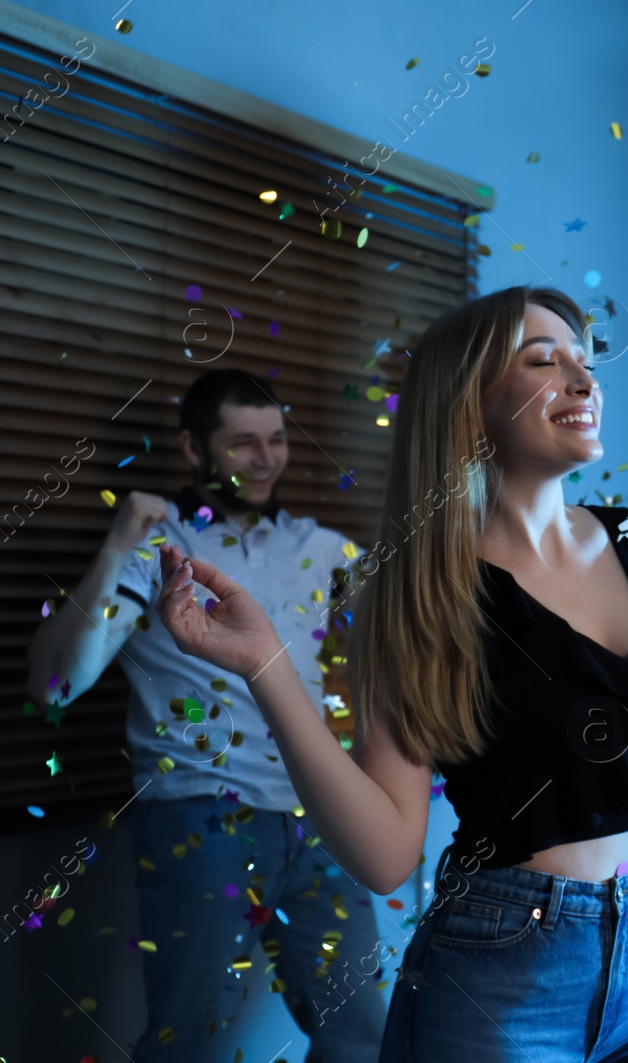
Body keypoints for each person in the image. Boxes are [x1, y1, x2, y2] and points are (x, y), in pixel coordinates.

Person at [149, 286, 628, 1063]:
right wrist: (263, 663)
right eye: (545, 361)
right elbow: (385, 854)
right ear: (467, 406)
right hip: (495, 983)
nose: (583, 380)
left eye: (584, 361)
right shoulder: (417, 589)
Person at [26, 369, 387, 1062]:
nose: (265, 458)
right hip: (202, 820)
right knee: (187, 1046)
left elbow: (415, 637)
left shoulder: (326, 548)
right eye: (243, 442)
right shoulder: (160, 552)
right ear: (195, 449)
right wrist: (115, 544)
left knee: (362, 1039)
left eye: (276, 440)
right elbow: (53, 685)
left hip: (321, 822)